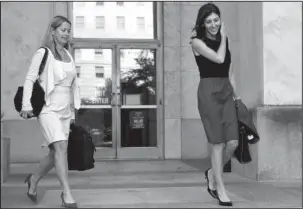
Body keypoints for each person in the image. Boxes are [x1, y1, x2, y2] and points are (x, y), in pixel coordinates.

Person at [20, 15, 80, 208]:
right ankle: (67, 194)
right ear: (53, 31)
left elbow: (72, 86)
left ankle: (34, 179)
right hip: (47, 108)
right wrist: (26, 105)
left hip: (64, 110)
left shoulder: (68, 55)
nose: (66, 34)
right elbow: (30, 79)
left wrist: (72, 111)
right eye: (63, 30)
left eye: (68, 31)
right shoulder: (43, 53)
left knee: (55, 154)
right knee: (61, 148)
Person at [190, 3, 239, 207]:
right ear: (202, 23)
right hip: (208, 92)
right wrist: (225, 37)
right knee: (218, 143)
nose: (213, 25)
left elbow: (229, 71)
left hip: (226, 91)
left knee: (233, 143)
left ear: (220, 19)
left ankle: (212, 173)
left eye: (216, 20)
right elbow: (219, 59)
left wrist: (237, 97)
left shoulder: (224, 40)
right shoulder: (196, 42)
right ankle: (221, 188)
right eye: (208, 21)